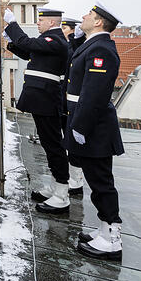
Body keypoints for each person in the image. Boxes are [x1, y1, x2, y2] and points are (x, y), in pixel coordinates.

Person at [66, 2, 125, 260]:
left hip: (94, 128)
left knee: (102, 184)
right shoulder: (93, 45)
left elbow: (94, 94)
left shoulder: (102, 49)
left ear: (99, 22)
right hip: (90, 126)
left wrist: (80, 126)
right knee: (96, 181)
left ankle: (112, 238)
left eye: (89, 15)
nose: (83, 16)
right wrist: (77, 41)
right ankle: (103, 229)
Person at [3, 7, 72, 214]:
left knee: (53, 145)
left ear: (51, 23)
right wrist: (10, 41)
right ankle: (55, 187)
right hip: (42, 99)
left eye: (41, 21)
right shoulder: (49, 41)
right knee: (49, 143)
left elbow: (29, 44)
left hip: (47, 100)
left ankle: (62, 194)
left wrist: (13, 25)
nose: (38, 24)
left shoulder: (55, 40)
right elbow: (28, 51)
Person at [60, 16, 86, 197]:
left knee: (73, 143)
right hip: (65, 98)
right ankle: (74, 177)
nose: (61, 32)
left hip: (73, 101)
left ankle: (76, 181)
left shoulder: (74, 46)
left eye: (64, 28)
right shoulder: (70, 45)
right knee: (68, 139)